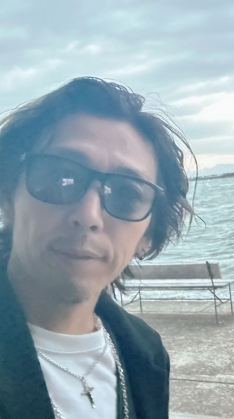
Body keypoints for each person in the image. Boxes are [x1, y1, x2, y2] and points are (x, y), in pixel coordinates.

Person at [0, 77, 194, 419]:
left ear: (147, 236)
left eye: (126, 193)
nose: (88, 216)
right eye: (60, 177)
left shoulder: (145, 354)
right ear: (8, 196)